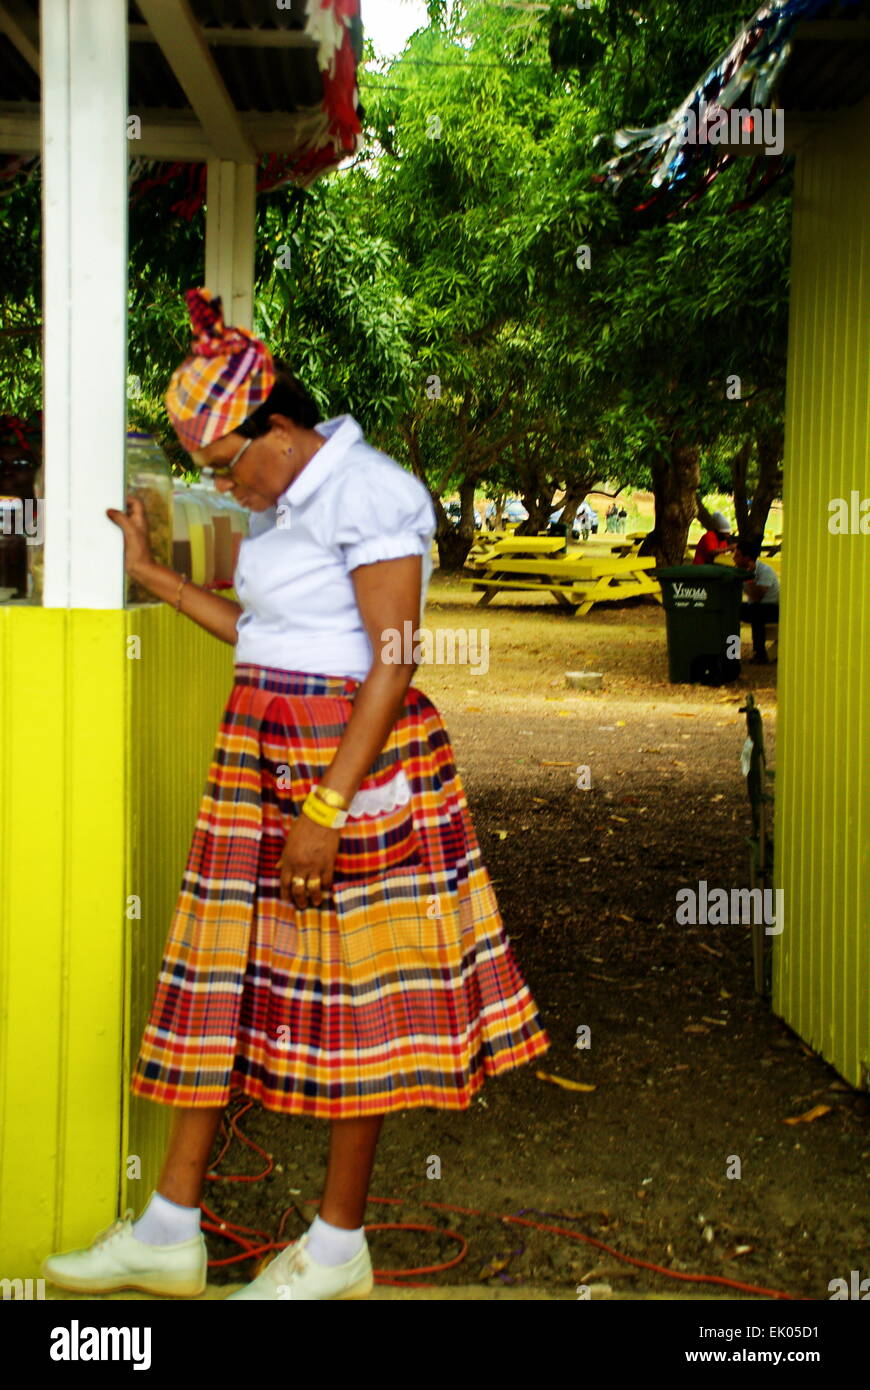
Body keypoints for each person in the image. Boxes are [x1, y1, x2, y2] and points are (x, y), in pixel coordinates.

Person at [41, 289, 550, 1302]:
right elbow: (265, 634)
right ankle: (169, 1230)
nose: (227, 485)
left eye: (228, 465)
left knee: (351, 999)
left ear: (277, 426)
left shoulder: (371, 492)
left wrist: (326, 808)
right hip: (259, 747)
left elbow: (393, 662)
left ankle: (336, 1246)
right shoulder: (288, 508)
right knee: (219, 976)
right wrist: (153, 576)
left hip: (343, 765)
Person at [734, 535, 780, 663]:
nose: (733, 558)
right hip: (757, 607)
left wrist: (750, 578)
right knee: (732, 611)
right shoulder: (738, 570)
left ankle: (760, 654)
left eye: (737, 555)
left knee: (756, 611)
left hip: (773, 609)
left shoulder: (764, 571)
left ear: (747, 558)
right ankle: (731, 652)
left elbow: (757, 597)